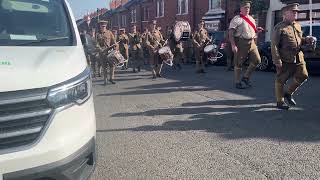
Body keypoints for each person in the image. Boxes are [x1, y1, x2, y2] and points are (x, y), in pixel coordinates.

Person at [271, 3, 316, 110]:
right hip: (286, 58)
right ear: (285, 14)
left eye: (296, 12)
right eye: (293, 12)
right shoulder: (279, 27)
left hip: (298, 56)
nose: (296, 13)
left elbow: (299, 40)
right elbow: (274, 45)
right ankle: (280, 102)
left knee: (303, 75)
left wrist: (307, 39)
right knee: (281, 80)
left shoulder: (297, 25)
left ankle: (288, 93)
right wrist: (277, 60)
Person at [228, 1, 264, 89]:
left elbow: (253, 31)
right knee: (239, 63)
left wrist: (257, 30)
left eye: (248, 7)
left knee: (257, 60)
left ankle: (245, 77)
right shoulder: (237, 19)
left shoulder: (252, 19)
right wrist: (233, 45)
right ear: (241, 9)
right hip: (241, 43)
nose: (247, 9)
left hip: (251, 42)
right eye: (245, 7)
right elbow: (231, 33)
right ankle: (237, 82)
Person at [96, 20, 117, 85]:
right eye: (102, 26)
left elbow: (114, 41)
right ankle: (105, 79)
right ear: (100, 26)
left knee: (112, 65)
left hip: (110, 52)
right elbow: (96, 43)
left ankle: (111, 78)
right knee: (104, 66)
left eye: (104, 26)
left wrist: (115, 48)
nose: (103, 28)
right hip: (102, 53)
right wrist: (100, 49)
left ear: (106, 26)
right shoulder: (98, 34)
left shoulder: (109, 33)